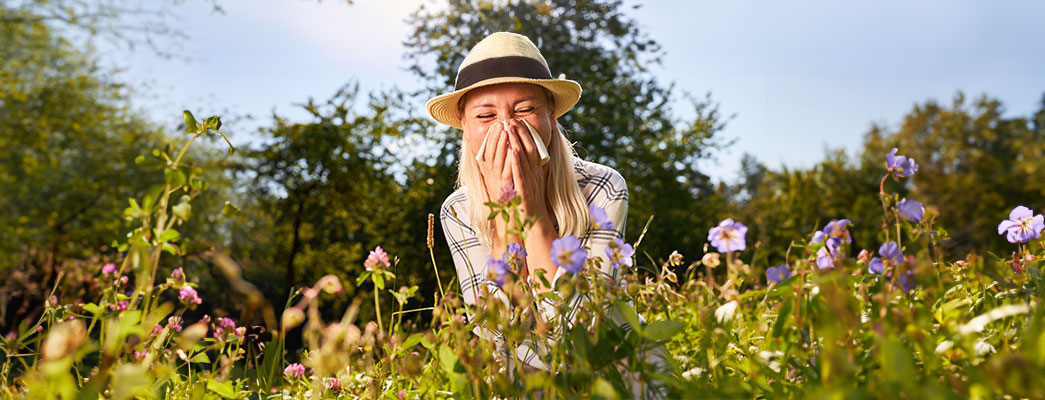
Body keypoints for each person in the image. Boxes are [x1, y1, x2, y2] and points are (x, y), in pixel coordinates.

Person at [428, 32, 631, 371]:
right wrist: (506, 217)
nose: (507, 127)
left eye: (525, 109)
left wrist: (534, 212)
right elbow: (497, 331)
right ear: (464, 125)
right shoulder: (458, 211)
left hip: (609, 367)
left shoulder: (604, 187)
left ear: (551, 114)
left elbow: (579, 331)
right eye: (485, 116)